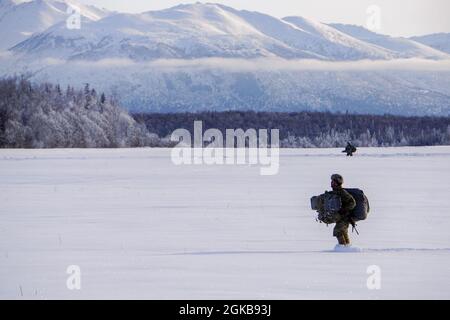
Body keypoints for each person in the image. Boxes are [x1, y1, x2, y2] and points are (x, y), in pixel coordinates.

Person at [330, 174, 356, 246]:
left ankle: (343, 249)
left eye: (333, 181)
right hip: (340, 217)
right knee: (343, 232)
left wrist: (343, 209)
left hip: (345, 217)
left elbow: (352, 203)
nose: (331, 183)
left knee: (338, 231)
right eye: (331, 181)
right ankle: (347, 248)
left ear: (338, 182)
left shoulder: (342, 192)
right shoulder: (335, 192)